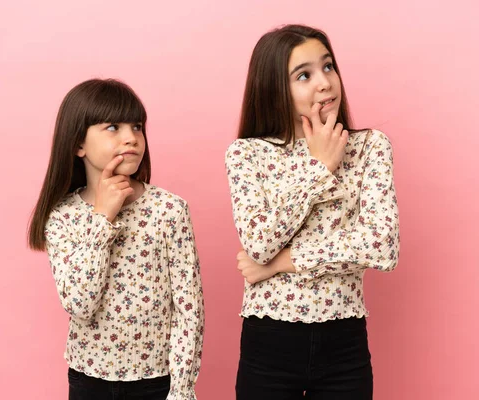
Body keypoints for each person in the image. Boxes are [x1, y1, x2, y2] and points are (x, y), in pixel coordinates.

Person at [225, 24, 400, 399]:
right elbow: (258, 244)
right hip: (269, 342)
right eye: (303, 75)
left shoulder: (369, 147)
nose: (324, 83)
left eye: (328, 67)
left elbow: (383, 246)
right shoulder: (247, 154)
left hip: (345, 341)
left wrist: (284, 262)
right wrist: (318, 169)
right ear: (275, 89)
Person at [28, 78, 204, 400]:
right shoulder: (63, 216)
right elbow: (79, 304)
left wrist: (181, 389)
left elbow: (188, 309)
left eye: (137, 126)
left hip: (156, 382)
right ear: (78, 144)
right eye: (113, 127)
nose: (131, 138)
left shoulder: (169, 210)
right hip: (88, 381)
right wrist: (103, 218)